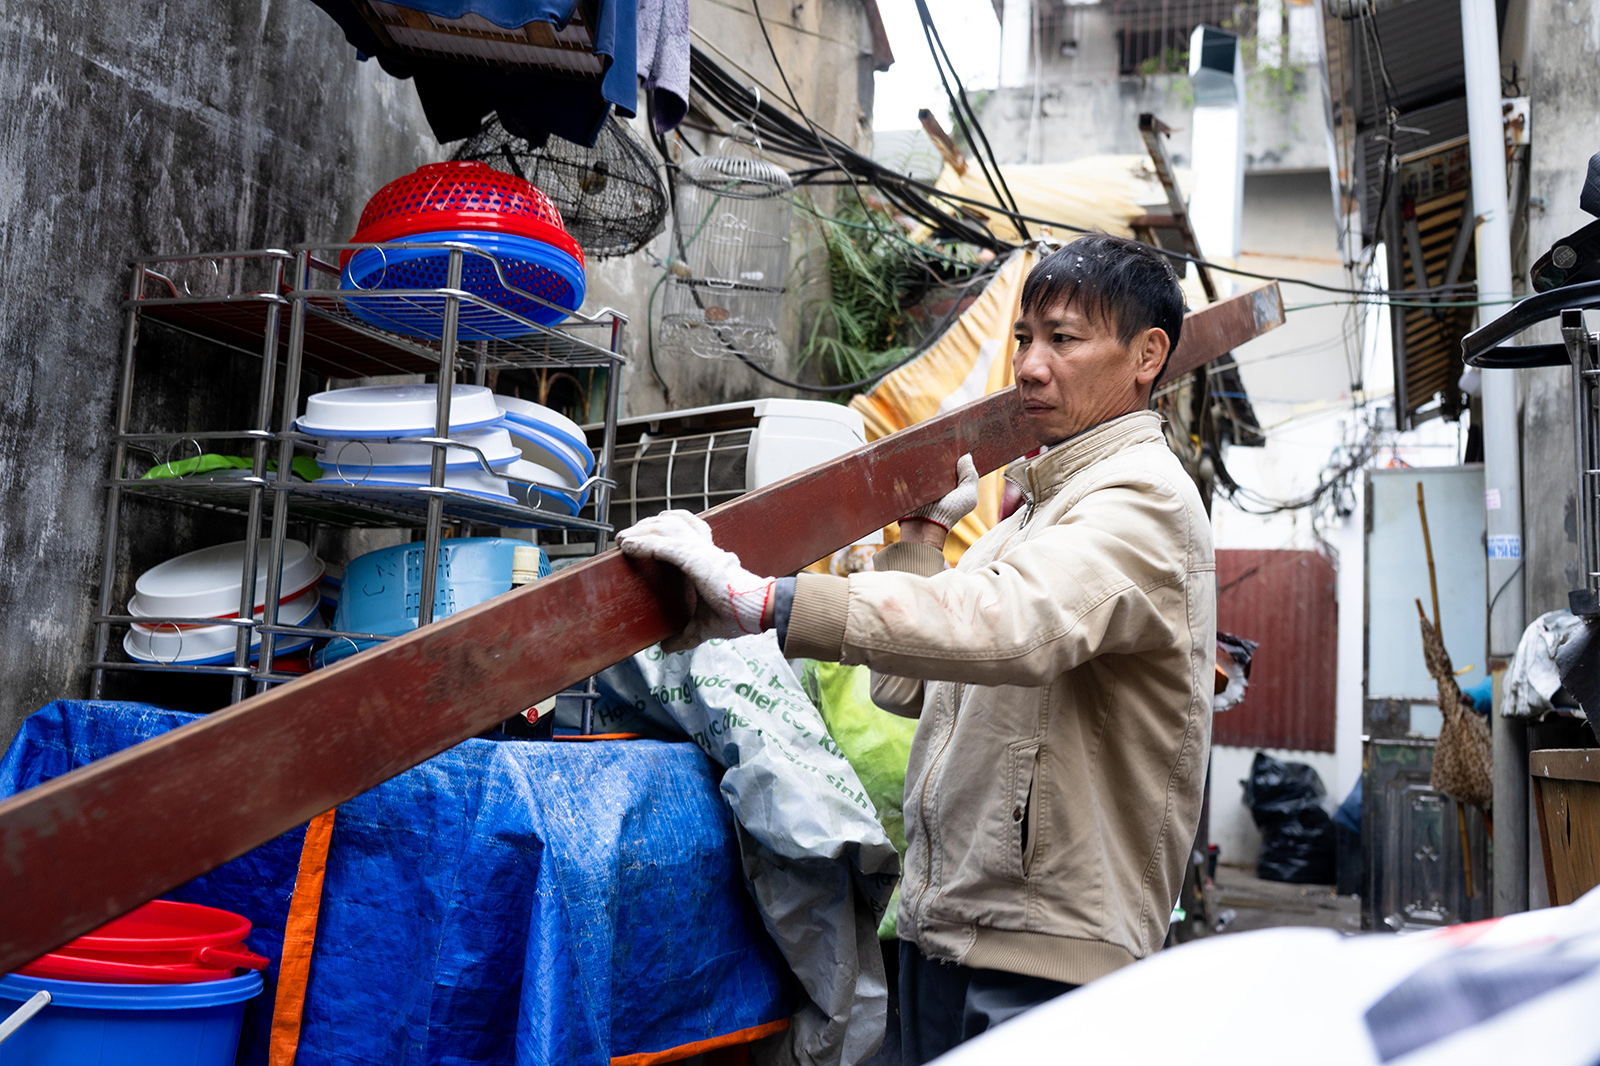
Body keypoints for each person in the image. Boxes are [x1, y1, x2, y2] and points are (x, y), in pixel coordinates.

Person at [616, 235, 1216, 1063]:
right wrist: (924, 537)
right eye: (1025, 338)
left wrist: (768, 601)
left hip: (1049, 951)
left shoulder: (1144, 499)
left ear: (1148, 354)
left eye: (1064, 339)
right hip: (952, 928)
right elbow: (905, 685)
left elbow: (1011, 624)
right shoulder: (1036, 513)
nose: (1032, 365)